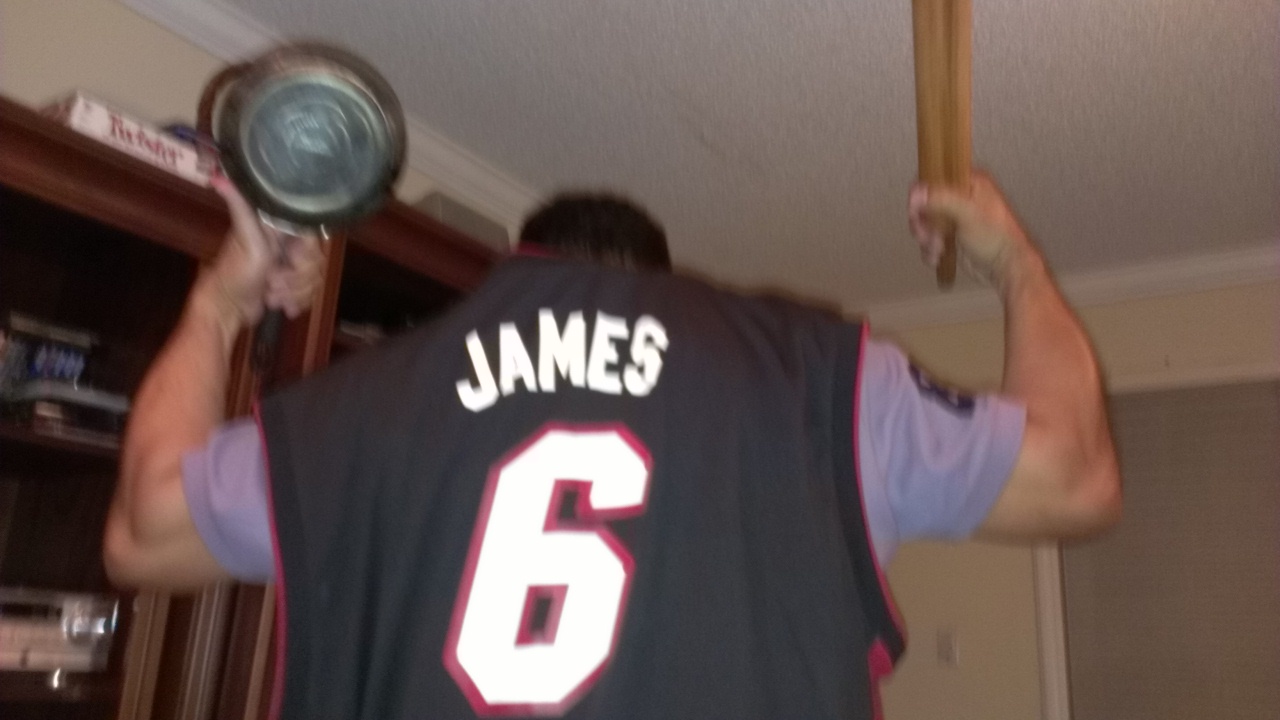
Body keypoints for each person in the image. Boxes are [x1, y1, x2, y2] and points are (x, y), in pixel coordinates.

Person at [104, 169, 1120, 719]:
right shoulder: (820, 383)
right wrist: (1016, 266)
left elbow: (142, 532)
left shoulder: (353, 413)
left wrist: (219, 302)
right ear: (657, 281)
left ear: (518, 269)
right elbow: (1075, 479)